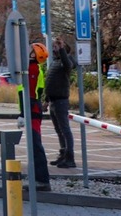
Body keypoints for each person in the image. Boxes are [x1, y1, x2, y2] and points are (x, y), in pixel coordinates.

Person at [18, 42, 50, 191]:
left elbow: (29, 94)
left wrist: (23, 114)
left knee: (35, 146)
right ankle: (38, 179)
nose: (27, 50)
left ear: (34, 54)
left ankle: (42, 181)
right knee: (34, 146)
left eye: (30, 49)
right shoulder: (33, 68)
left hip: (32, 111)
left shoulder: (32, 69)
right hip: (33, 110)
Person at [45, 36, 76, 169]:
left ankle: (70, 158)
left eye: (57, 46)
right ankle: (62, 154)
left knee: (65, 130)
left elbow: (68, 65)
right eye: (54, 46)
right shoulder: (55, 62)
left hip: (61, 101)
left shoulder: (66, 61)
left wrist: (62, 48)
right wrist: (46, 101)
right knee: (59, 130)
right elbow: (50, 83)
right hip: (53, 101)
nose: (54, 48)